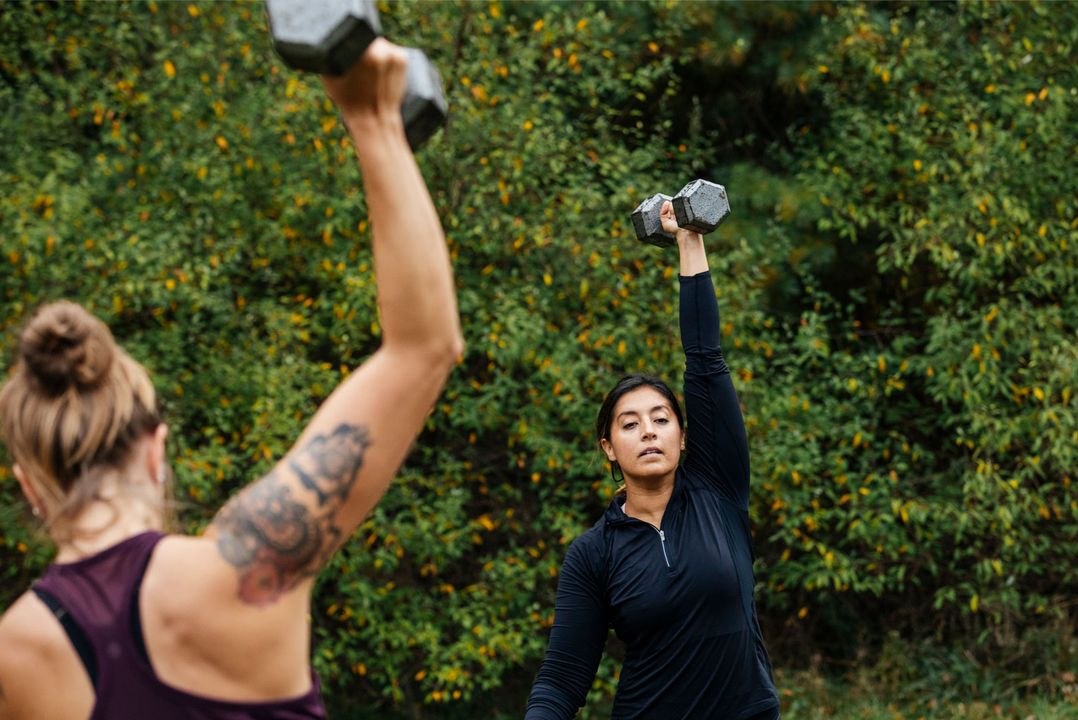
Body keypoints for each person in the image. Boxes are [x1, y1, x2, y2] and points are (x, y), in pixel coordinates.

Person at [0, 38, 462, 720]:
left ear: (30, 488)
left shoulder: (15, 652)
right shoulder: (247, 563)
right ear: (156, 450)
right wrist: (373, 121)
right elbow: (423, 348)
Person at [524, 201, 779, 720]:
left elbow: (705, 359)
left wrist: (690, 240)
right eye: (629, 423)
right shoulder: (593, 555)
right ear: (608, 448)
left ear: (685, 437)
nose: (648, 431)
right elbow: (563, 678)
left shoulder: (719, 490)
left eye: (662, 419)